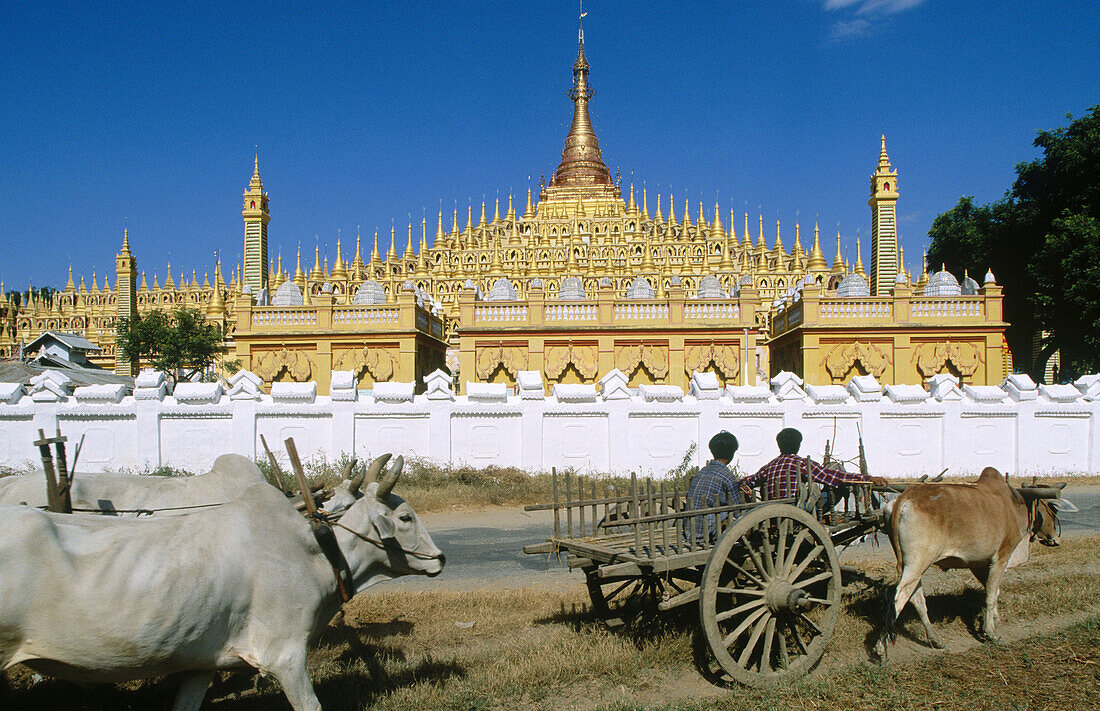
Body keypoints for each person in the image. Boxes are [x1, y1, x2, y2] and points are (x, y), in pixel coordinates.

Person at [740, 428, 887, 509]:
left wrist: (736, 483)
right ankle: (822, 516)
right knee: (840, 486)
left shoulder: (770, 466)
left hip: (772, 511)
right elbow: (833, 476)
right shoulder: (800, 463)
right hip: (797, 510)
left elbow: (748, 481)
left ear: (779, 445)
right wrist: (867, 479)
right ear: (798, 445)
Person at [685, 431, 742, 544]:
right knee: (731, 515)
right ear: (732, 454)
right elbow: (737, 512)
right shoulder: (728, 477)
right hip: (707, 532)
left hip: (689, 530)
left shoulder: (701, 472)